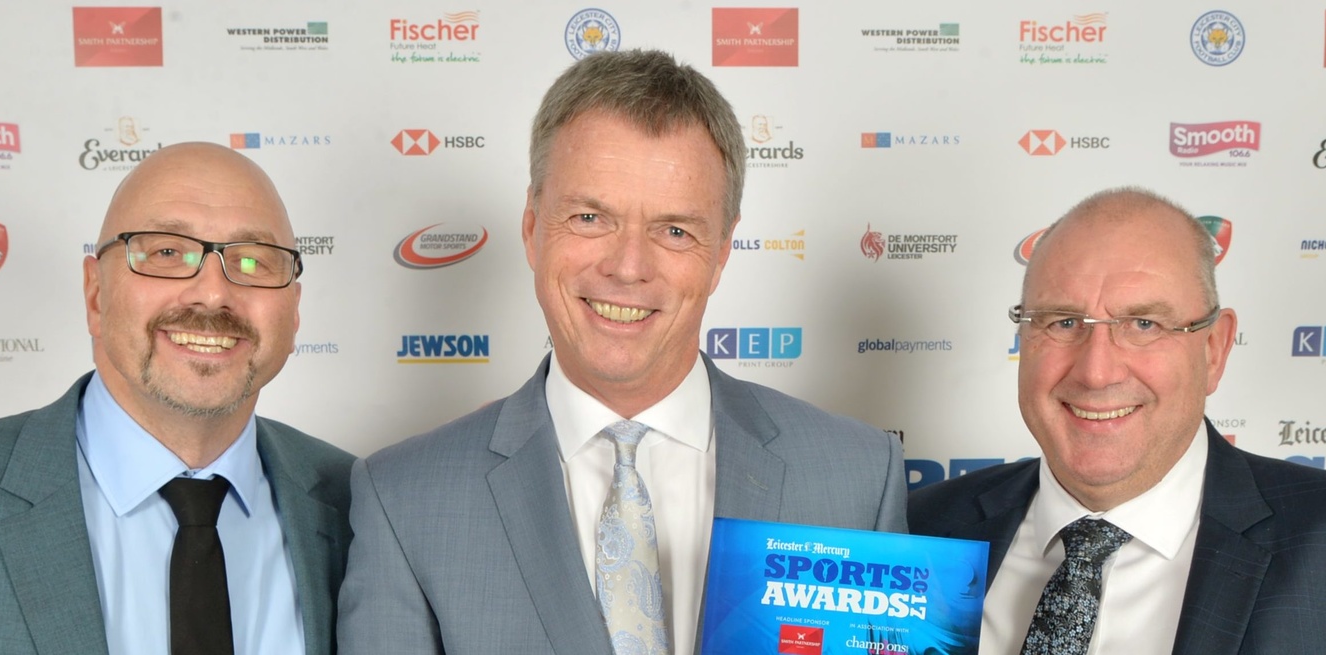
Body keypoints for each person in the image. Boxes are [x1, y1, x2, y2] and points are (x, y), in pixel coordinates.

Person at [336, 49, 907, 655]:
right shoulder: (405, 499)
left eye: (675, 230)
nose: (628, 266)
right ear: (532, 228)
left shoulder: (857, 481)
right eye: (589, 217)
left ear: (721, 253)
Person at [0, 142, 356, 655]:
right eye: (167, 252)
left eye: (253, 261)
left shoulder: (362, 506)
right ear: (96, 294)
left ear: (294, 310)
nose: (213, 293)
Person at [908, 188, 1326, 654]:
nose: (1097, 371)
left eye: (1144, 325)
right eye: (1062, 322)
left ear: (1215, 350)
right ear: (1024, 338)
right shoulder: (917, 530)